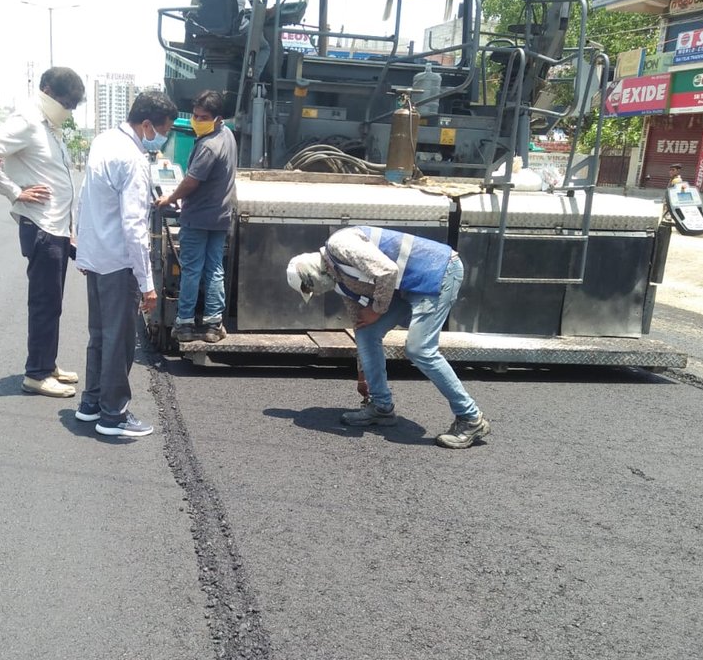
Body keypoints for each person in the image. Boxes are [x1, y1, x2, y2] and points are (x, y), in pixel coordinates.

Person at [286, 226, 491, 449]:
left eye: (310, 288)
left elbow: (386, 271)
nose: (315, 293)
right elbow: (359, 323)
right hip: (409, 286)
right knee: (366, 332)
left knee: (420, 349)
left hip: (438, 273)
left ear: (311, 274)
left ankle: (471, 418)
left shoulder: (339, 244)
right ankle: (381, 408)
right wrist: (363, 375)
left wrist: (377, 309)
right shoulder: (340, 281)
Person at [0, 66, 85, 398]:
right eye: (66, 102)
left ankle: (46, 364)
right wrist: (13, 191)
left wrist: (70, 230)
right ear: (46, 90)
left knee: (53, 303)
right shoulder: (28, 120)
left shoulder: (49, 127)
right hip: (41, 228)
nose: (69, 109)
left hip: (56, 228)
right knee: (44, 302)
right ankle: (36, 373)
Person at [74, 91, 179, 437]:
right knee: (119, 340)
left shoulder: (103, 141)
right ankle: (113, 415)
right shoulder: (133, 159)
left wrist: (85, 252)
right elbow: (134, 227)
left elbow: (86, 201)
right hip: (119, 262)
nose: (162, 137)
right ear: (147, 125)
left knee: (100, 335)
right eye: (162, 130)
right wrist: (147, 282)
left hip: (97, 258)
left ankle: (91, 404)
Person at [155, 90, 237, 343]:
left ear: (218, 118)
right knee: (214, 269)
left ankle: (185, 323)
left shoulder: (208, 146)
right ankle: (213, 324)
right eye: (195, 115)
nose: (197, 120)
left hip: (198, 217)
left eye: (203, 117)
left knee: (192, 270)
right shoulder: (227, 135)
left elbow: (191, 182)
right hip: (220, 216)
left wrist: (169, 198)